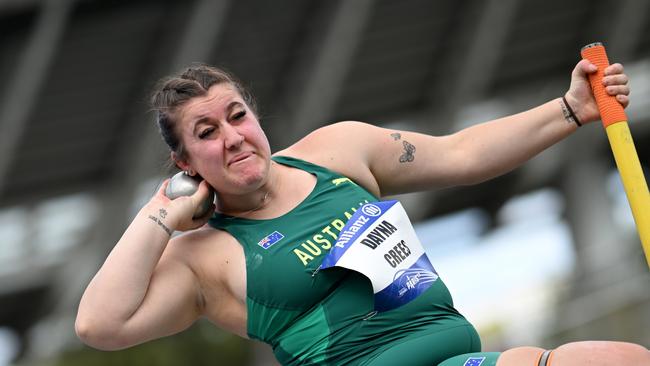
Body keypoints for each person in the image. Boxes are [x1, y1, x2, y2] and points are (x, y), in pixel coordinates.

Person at [75, 58, 649, 366]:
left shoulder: (338, 152)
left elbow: (464, 153)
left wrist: (570, 109)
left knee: (620, 360)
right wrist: (159, 210)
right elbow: (99, 325)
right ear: (184, 162)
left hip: (457, 360)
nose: (233, 137)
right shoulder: (203, 259)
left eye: (237, 116)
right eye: (207, 132)